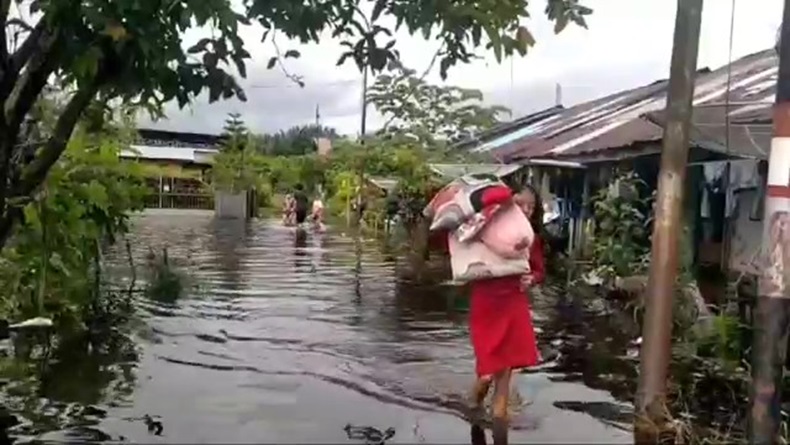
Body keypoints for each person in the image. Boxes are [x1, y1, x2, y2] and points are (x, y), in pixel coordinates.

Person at [467, 184, 545, 445]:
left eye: (531, 207)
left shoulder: (530, 239)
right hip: (486, 305)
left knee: (504, 376)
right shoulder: (484, 229)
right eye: (520, 204)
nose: (525, 210)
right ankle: (473, 405)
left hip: (513, 305)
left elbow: (539, 270)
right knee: (487, 374)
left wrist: (531, 279)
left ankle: (499, 425)